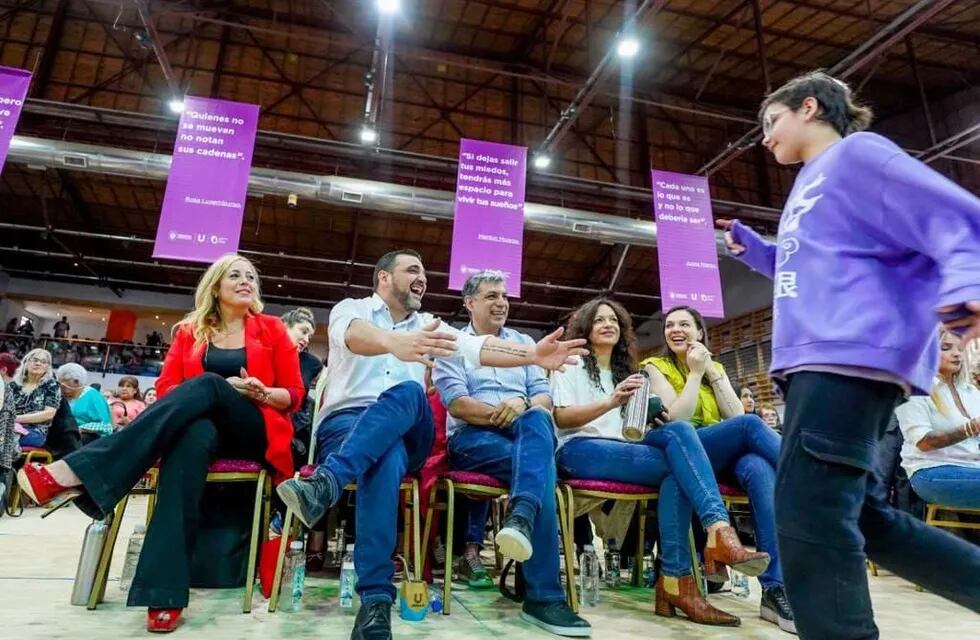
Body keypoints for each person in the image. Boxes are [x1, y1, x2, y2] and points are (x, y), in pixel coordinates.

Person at [717, 70, 980, 638]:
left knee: (806, 519)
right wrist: (761, 252)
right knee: (861, 519)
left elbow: (954, 213)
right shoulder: (811, 182)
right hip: (829, 361)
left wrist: (967, 281)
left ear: (809, 106)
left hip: (846, 361)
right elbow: (818, 265)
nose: (764, 137)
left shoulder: (857, 155)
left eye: (772, 121)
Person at [275, 249, 588, 640]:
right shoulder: (350, 307)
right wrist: (393, 342)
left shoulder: (428, 324)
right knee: (383, 457)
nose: (422, 277)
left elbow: (477, 349)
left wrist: (532, 354)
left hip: (410, 428)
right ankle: (375, 601)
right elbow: (352, 335)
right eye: (412, 270)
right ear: (384, 278)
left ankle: (327, 482)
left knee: (407, 391)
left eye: (424, 271)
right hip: (348, 424)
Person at [16, 254, 304, 633]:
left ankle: (75, 470)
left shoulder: (271, 329)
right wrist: (210, 392)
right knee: (191, 437)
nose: (246, 281)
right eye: (235, 275)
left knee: (208, 384)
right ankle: (164, 592)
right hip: (201, 429)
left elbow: (295, 395)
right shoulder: (190, 330)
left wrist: (262, 392)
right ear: (215, 285)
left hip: (254, 425)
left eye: (251, 276)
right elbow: (167, 390)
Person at [552, 298, 777, 629]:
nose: (608, 324)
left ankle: (677, 582)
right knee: (683, 451)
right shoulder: (570, 363)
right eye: (599, 319)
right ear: (585, 327)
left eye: (614, 319)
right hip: (580, 449)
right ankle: (716, 533)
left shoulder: (627, 373)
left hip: (626, 449)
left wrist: (646, 413)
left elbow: (637, 428)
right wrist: (611, 401)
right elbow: (561, 416)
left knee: (679, 452)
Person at [433, 271, 590, 636]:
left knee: (537, 420)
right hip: (474, 440)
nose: (501, 302)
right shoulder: (452, 343)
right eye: (491, 296)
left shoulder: (525, 343)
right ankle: (543, 597)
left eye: (504, 295)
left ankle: (520, 517)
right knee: (541, 472)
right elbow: (457, 404)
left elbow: (543, 396)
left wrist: (522, 405)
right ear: (469, 302)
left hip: (524, 432)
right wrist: (498, 414)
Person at [641, 306, 792, 631]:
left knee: (758, 468)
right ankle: (809, 479)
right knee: (751, 427)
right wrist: (694, 374)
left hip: (720, 455)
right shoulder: (655, 366)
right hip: (684, 448)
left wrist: (712, 372)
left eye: (684, 324)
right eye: (669, 325)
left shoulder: (716, 368)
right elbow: (678, 418)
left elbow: (735, 416)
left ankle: (773, 589)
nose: (675, 330)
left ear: (700, 332)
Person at [895, 330, 980, 510]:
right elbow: (924, 443)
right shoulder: (916, 389)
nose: (957, 353)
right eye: (946, 348)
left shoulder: (971, 392)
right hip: (932, 472)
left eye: (960, 348)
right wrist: (971, 427)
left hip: (974, 468)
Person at [280, 307, 323, 467]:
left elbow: (329, 381)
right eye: (303, 331)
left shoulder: (311, 362)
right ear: (284, 326)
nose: (306, 339)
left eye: (309, 336)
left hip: (297, 427)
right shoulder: (264, 353)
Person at [9, 348, 60, 448]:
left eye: (43, 362)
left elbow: (49, 414)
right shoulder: (13, 385)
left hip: (34, 431)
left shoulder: (51, 385)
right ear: (26, 362)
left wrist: (16, 419)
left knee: (5, 439)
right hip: (9, 426)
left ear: (47, 367)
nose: (38, 363)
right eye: (35, 360)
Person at [56, 363, 114, 444]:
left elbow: (105, 425)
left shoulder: (92, 395)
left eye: (65, 386)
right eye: (61, 384)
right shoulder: (60, 395)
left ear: (77, 382)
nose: (62, 388)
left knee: (70, 440)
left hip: (90, 436)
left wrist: (80, 428)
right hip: (65, 432)